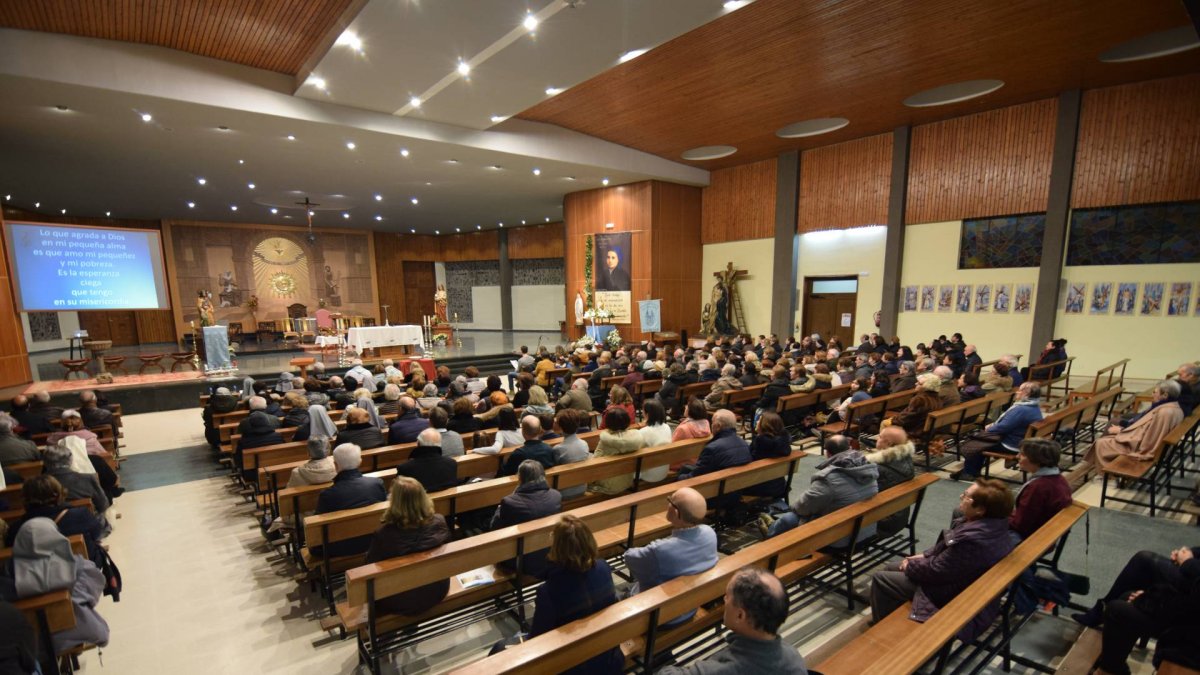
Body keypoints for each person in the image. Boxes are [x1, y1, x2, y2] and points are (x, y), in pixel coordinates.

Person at [870, 479, 1014, 628]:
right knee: (891, 567)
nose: (961, 496)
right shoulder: (991, 523)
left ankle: (881, 630)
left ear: (980, 509)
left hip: (954, 592)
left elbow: (938, 571)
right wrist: (925, 555)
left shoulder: (973, 539)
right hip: (961, 578)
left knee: (882, 579)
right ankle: (891, 619)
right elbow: (947, 550)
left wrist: (911, 566)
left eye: (966, 496)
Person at [494, 515, 623, 674]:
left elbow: (538, 640)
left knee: (500, 648)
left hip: (570, 663)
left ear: (556, 548)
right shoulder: (603, 567)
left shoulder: (549, 591)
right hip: (606, 653)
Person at [657, 567, 808, 674]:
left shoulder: (724, 668)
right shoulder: (793, 657)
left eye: (728, 597)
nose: (724, 599)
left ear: (740, 615)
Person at [0, 519, 110, 655]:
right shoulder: (77, 567)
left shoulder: (7, 578)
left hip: (31, 646)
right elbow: (95, 589)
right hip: (75, 630)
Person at [758, 435, 878, 547]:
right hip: (864, 528)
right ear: (849, 448)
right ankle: (774, 526)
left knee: (790, 518)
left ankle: (770, 536)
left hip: (839, 539)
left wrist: (794, 507)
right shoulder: (867, 468)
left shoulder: (829, 479)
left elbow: (803, 507)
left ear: (827, 453)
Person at [624, 487, 718, 626]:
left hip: (658, 615)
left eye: (670, 500)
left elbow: (629, 558)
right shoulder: (709, 533)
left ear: (675, 511)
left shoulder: (661, 550)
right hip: (689, 607)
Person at [363, 477, 451, 616]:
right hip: (436, 589)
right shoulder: (439, 521)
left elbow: (369, 567)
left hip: (400, 598)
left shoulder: (385, 534)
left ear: (394, 502)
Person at [1084, 380, 1184, 472]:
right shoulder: (1174, 407)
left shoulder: (1164, 413)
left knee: (1101, 443)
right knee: (1108, 436)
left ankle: (1111, 475)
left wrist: (1121, 432)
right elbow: (1149, 431)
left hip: (1142, 450)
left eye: (1155, 392)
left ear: (1165, 395)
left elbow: (1149, 440)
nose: (1152, 394)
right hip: (1151, 446)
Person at [952, 382, 1044, 481]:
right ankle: (971, 470)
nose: (1017, 392)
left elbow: (1004, 427)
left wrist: (990, 428)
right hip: (1020, 440)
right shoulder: (1034, 407)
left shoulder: (1021, 409)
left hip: (1012, 443)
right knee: (980, 440)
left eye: (1020, 390)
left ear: (1026, 394)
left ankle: (969, 472)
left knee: (976, 443)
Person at [4, 474, 105, 563]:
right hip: (84, 570)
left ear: (25, 498)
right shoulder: (80, 514)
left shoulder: (16, 530)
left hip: (39, 582)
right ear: (58, 493)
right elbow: (97, 532)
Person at [313, 444, 387, 556]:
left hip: (342, 547)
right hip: (375, 539)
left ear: (335, 465)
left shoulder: (327, 495)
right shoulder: (377, 483)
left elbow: (318, 530)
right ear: (359, 462)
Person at [491, 460, 562, 576]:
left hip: (520, 560)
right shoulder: (556, 495)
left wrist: (499, 507)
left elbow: (494, 527)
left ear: (520, 478)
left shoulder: (510, 501)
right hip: (550, 553)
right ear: (543, 475)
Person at [1008, 438, 1072, 541]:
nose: (1017, 456)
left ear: (1037, 460)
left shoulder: (1038, 488)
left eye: (1023, 454)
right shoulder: (1059, 478)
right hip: (1045, 532)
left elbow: (1020, 525)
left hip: (1032, 537)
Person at [865, 426, 916, 536]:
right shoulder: (905, 459)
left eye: (879, 437)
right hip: (899, 517)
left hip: (883, 522)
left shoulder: (879, 469)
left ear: (888, 443)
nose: (877, 439)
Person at [678, 409, 751, 480]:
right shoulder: (744, 444)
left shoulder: (712, 449)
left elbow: (697, 476)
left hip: (715, 487)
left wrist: (680, 477)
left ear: (718, 426)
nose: (711, 425)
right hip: (735, 485)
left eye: (712, 422)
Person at [42, 442, 109, 517]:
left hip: (52, 526)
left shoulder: (37, 485)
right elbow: (103, 505)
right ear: (70, 461)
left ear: (45, 462)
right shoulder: (87, 479)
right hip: (88, 523)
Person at [588, 407, 645, 494]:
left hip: (608, 484)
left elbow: (594, 464)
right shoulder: (636, 438)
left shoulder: (606, 441)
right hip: (627, 480)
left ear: (608, 422)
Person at [745, 411, 792, 499]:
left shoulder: (761, 443)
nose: (757, 422)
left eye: (759, 420)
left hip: (760, 486)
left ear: (765, 425)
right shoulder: (783, 444)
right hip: (779, 485)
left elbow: (750, 462)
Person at [394, 428, 458, 493]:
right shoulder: (451, 464)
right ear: (439, 445)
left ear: (418, 444)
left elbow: (398, 494)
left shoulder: (405, 469)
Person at [884, 372, 942, 438]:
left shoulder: (920, 399)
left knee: (884, 423)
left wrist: (893, 420)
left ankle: (885, 446)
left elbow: (906, 418)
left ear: (926, 387)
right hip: (924, 430)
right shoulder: (936, 398)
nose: (915, 383)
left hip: (914, 431)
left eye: (919, 383)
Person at [552, 410, 591, 500]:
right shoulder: (584, 444)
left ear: (560, 427)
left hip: (563, 491)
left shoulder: (558, 449)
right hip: (582, 487)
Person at [636, 399, 672, 483]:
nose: (642, 412)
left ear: (647, 414)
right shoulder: (667, 427)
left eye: (643, 411)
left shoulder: (644, 432)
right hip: (664, 471)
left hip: (648, 475)